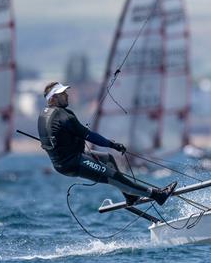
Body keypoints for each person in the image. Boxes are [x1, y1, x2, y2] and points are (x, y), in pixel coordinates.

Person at [37, 82, 177, 205]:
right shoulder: (64, 115)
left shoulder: (44, 115)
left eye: (65, 92)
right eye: (62, 94)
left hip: (63, 162)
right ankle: (158, 195)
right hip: (73, 162)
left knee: (107, 159)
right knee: (114, 177)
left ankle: (130, 197)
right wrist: (112, 144)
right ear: (53, 98)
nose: (66, 95)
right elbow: (89, 136)